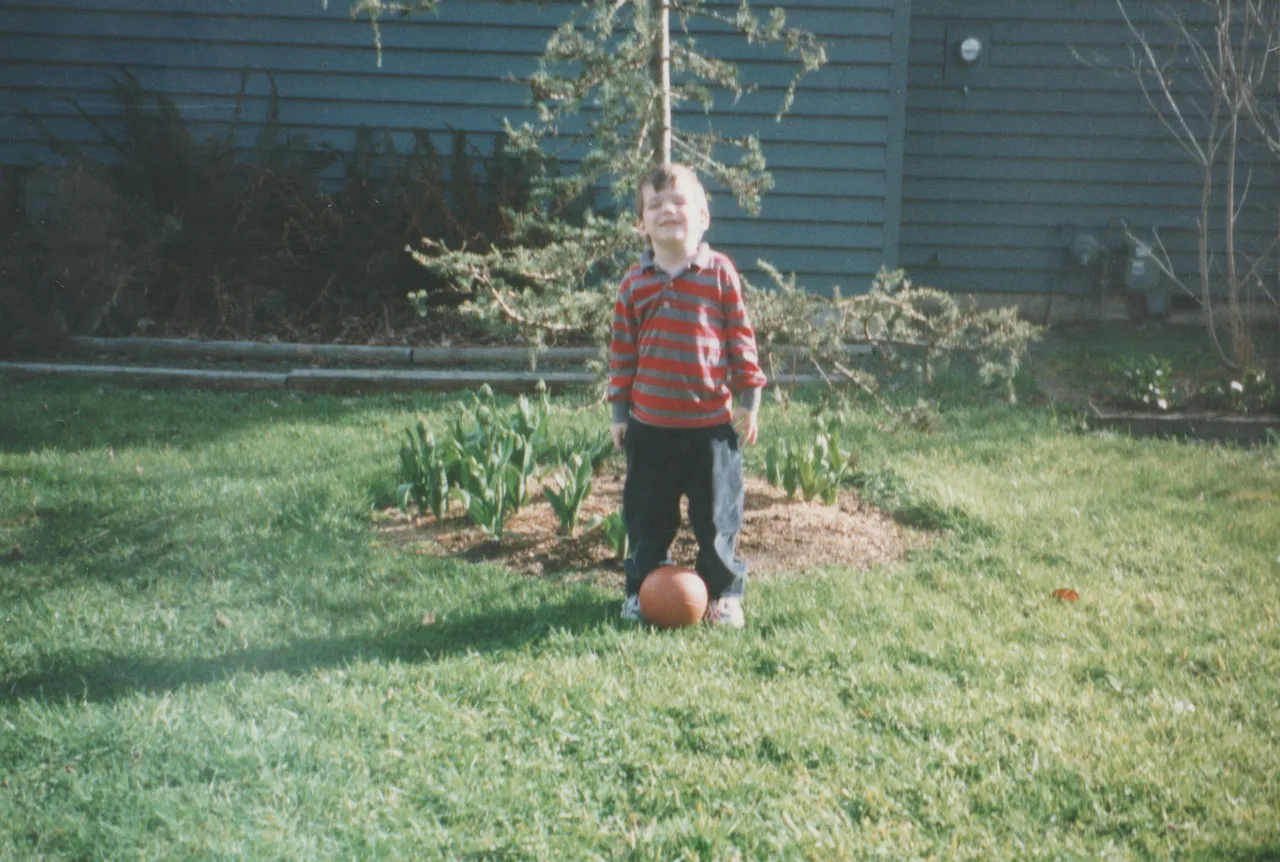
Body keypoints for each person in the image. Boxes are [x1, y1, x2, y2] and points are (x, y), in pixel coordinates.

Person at [607, 163, 767, 629]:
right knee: (646, 518)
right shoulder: (633, 285)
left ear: (702, 217)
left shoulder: (718, 274)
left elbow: (741, 338)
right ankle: (641, 590)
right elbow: (622, 354)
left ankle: (723, 594)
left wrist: (749, 396)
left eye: (679, 202)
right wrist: (620, 412)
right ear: (642, 223)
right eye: (654, 205)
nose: (667, 211)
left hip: (710, 431)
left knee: (717, 519)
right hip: (650, 428)